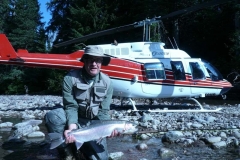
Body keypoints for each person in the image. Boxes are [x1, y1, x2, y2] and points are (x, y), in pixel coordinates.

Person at [45, 45, 118, 160]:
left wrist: (106, 131)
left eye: (98, 60)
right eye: (90, 60)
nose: (94, 64)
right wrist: (72, 128)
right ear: (84, 61)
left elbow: (103, 111)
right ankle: (66, 151)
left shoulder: (108, 82)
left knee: (101, 159)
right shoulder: (70, 78)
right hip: (75, 119)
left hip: (93, 124)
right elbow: (70, 106)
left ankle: (81, 146)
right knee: (53, 115)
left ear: (101, 62)